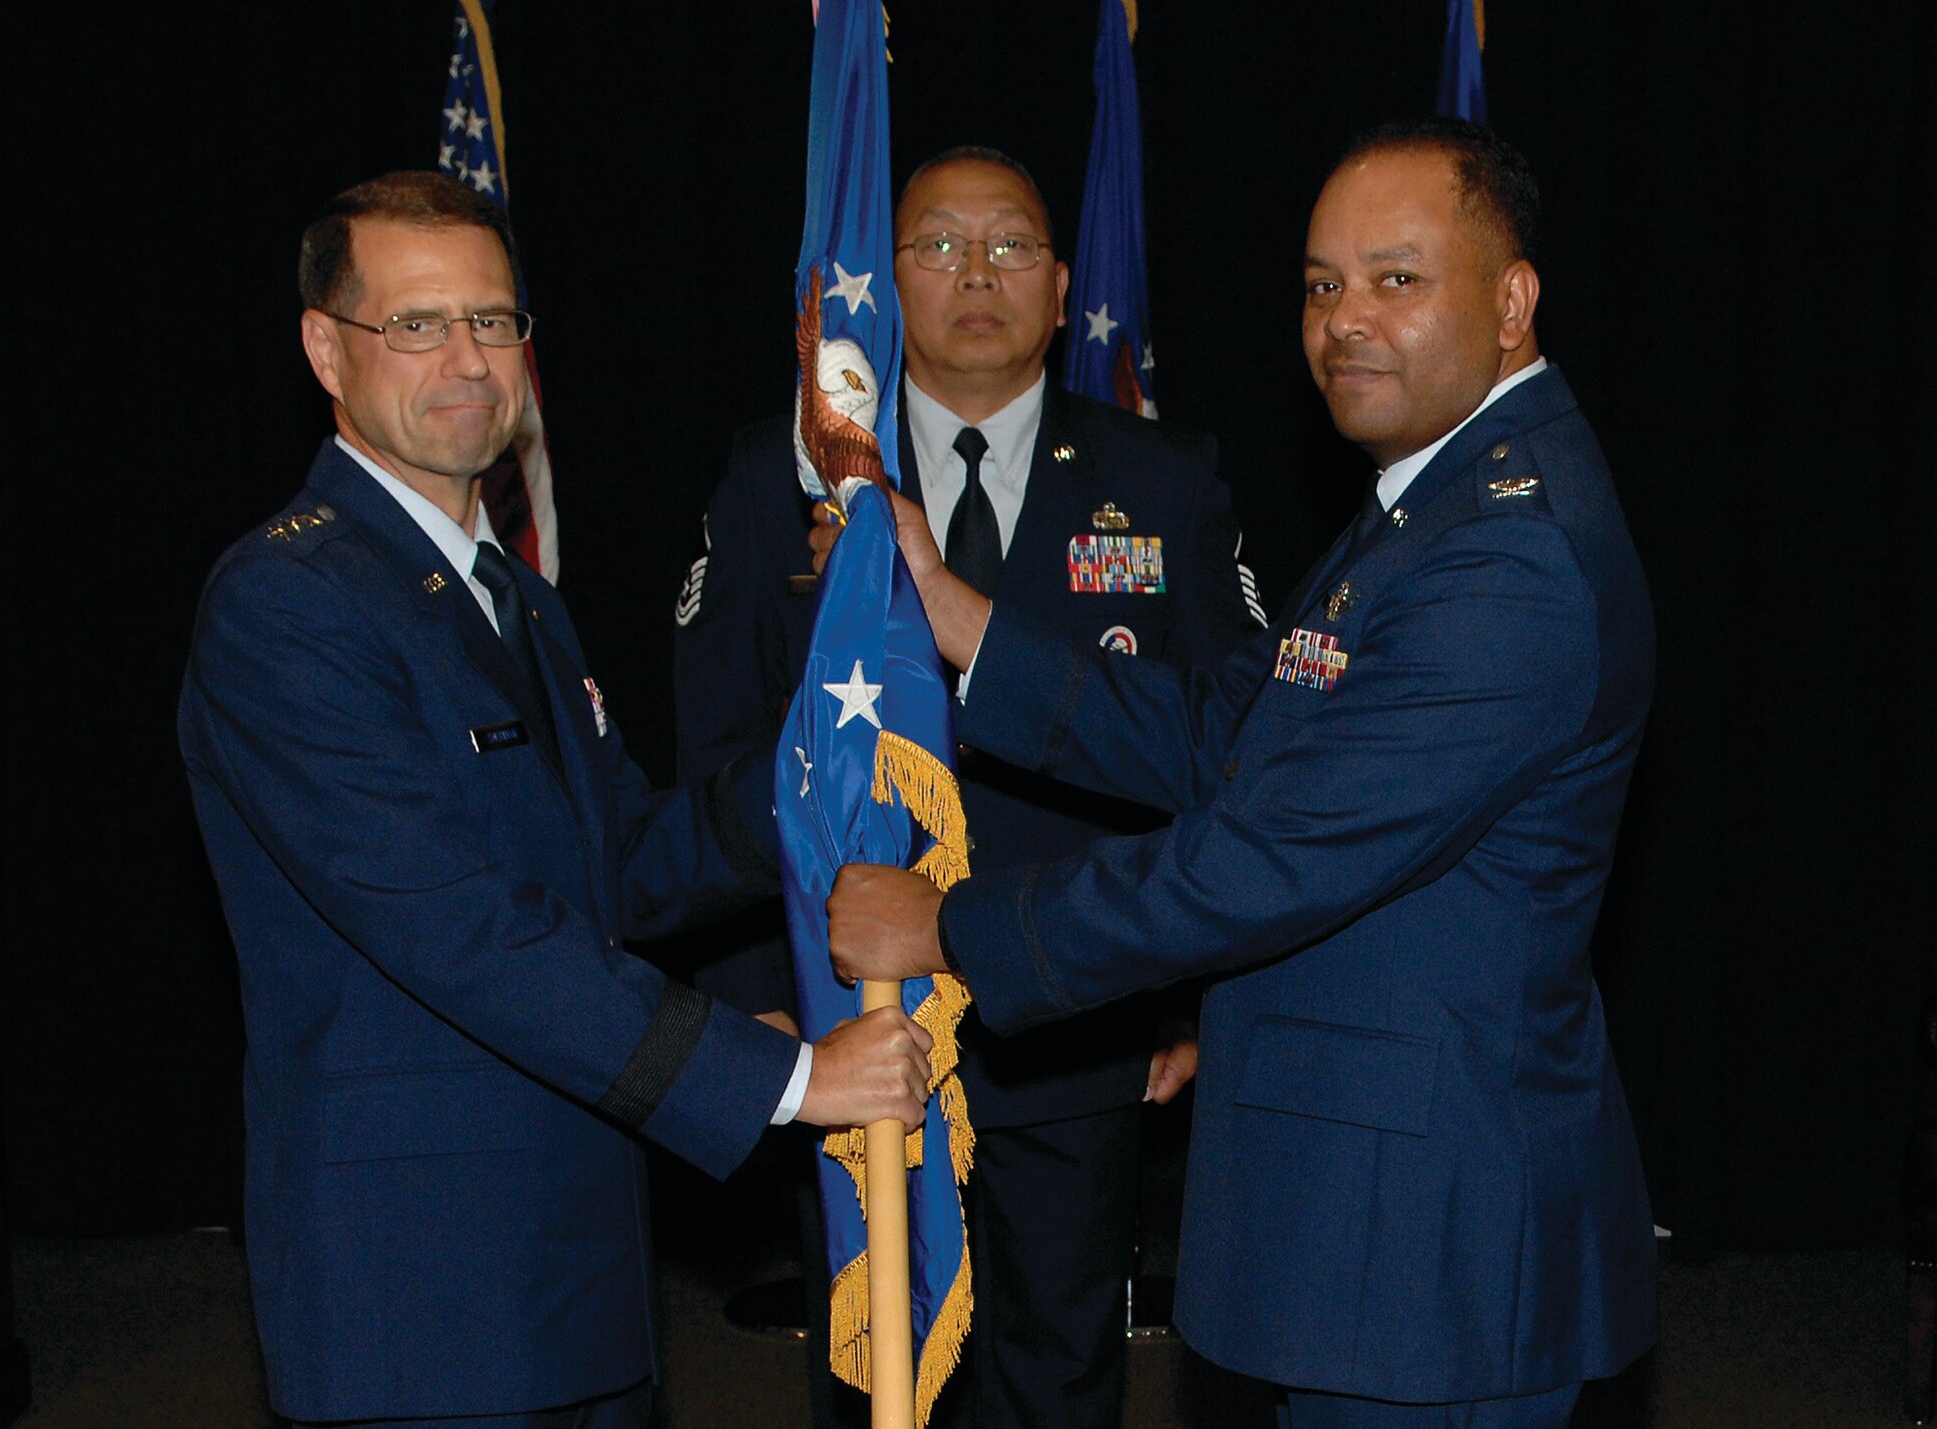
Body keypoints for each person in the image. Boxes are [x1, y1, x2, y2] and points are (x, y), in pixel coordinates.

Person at [825, 120, 1658, 1428]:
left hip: (1425, 1257)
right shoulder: (1431, 502)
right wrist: (964, 620)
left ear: (1511, 300)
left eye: (1397, 279)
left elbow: (1264, 856)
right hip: (1360, 1220)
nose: (1345, 322)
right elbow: (1241, 730)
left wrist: (944, 924)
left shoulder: (1509, 560)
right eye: (1323, 285)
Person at [177, 170, 933, 1429]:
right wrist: (787, 1079)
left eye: (494, 320)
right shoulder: (287, 605)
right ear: (326, 347)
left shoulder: (513, 597)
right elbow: (461, 929)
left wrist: (817, 775)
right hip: (421, 1289)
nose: (468, 361)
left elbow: (619, 860)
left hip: (575, 1263)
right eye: (416, 324)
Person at [673, 146, 1264, 1427]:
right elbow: (718, 755)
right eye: (938, 245)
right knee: (880, 1367)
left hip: (1076, 1007)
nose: (976, 273)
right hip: (854, 1012)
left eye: (1010, 245)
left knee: (1059, 1366)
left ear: (1061, 288)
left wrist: (1202, 997)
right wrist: (753, 1003)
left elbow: (1231, 757)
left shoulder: (1166, 480)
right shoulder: (782, 480)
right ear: (882, 289)